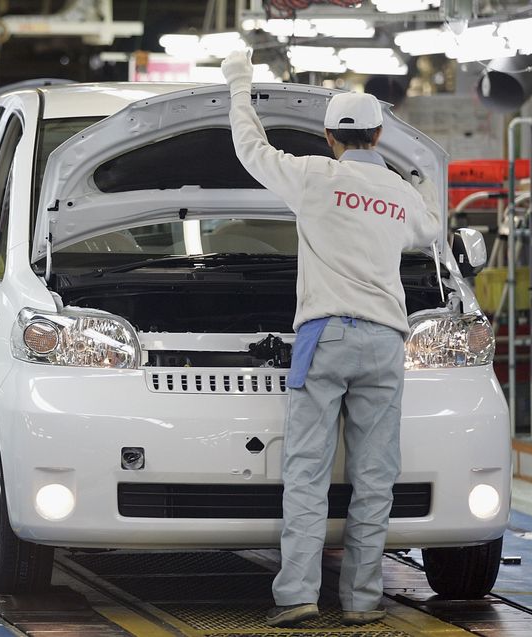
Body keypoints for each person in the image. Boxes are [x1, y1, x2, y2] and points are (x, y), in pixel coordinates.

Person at [221, 51, 441, 628]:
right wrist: (412, 178)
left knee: (307, 472)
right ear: (378, 134)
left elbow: (251, 150)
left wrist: (239, 84)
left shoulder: (315, 177)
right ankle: (363, 604)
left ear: (328, 137)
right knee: (374, 478)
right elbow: (432, 230)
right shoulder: (398, 193)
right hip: (387, 342)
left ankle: (297, 596)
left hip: (326, 337)